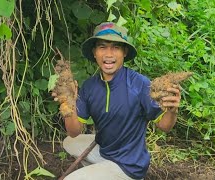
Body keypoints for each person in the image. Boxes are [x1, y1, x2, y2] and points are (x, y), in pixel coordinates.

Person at [58, 22, 181, 180]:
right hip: (107, 153)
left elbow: (164, 126)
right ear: (94, 52)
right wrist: (68, 103)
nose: (109, 54)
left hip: (129, 165)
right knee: (69, 142)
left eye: (115, 47)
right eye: (102, 47)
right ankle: (104, 173)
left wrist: (172, 111)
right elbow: (73, 132)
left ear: (124, 52)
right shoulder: (90, 86)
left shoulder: (139, 84)